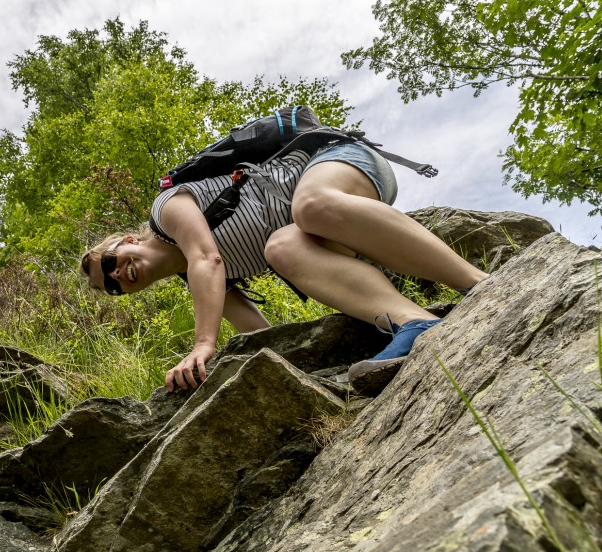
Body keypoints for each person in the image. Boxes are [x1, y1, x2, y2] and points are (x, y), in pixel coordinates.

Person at [80, 141, 488, 393]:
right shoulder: (203, 284)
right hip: (331, 230)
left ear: (127, 241)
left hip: (337, 163)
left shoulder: (165, 208)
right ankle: (415, 323)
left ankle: (480, 285)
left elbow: (208, 257)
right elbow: (264, 339)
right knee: (282, 246)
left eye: (110, 262)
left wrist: (203, 344)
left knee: (309, 207)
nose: (117, 275)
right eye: (112, 285)